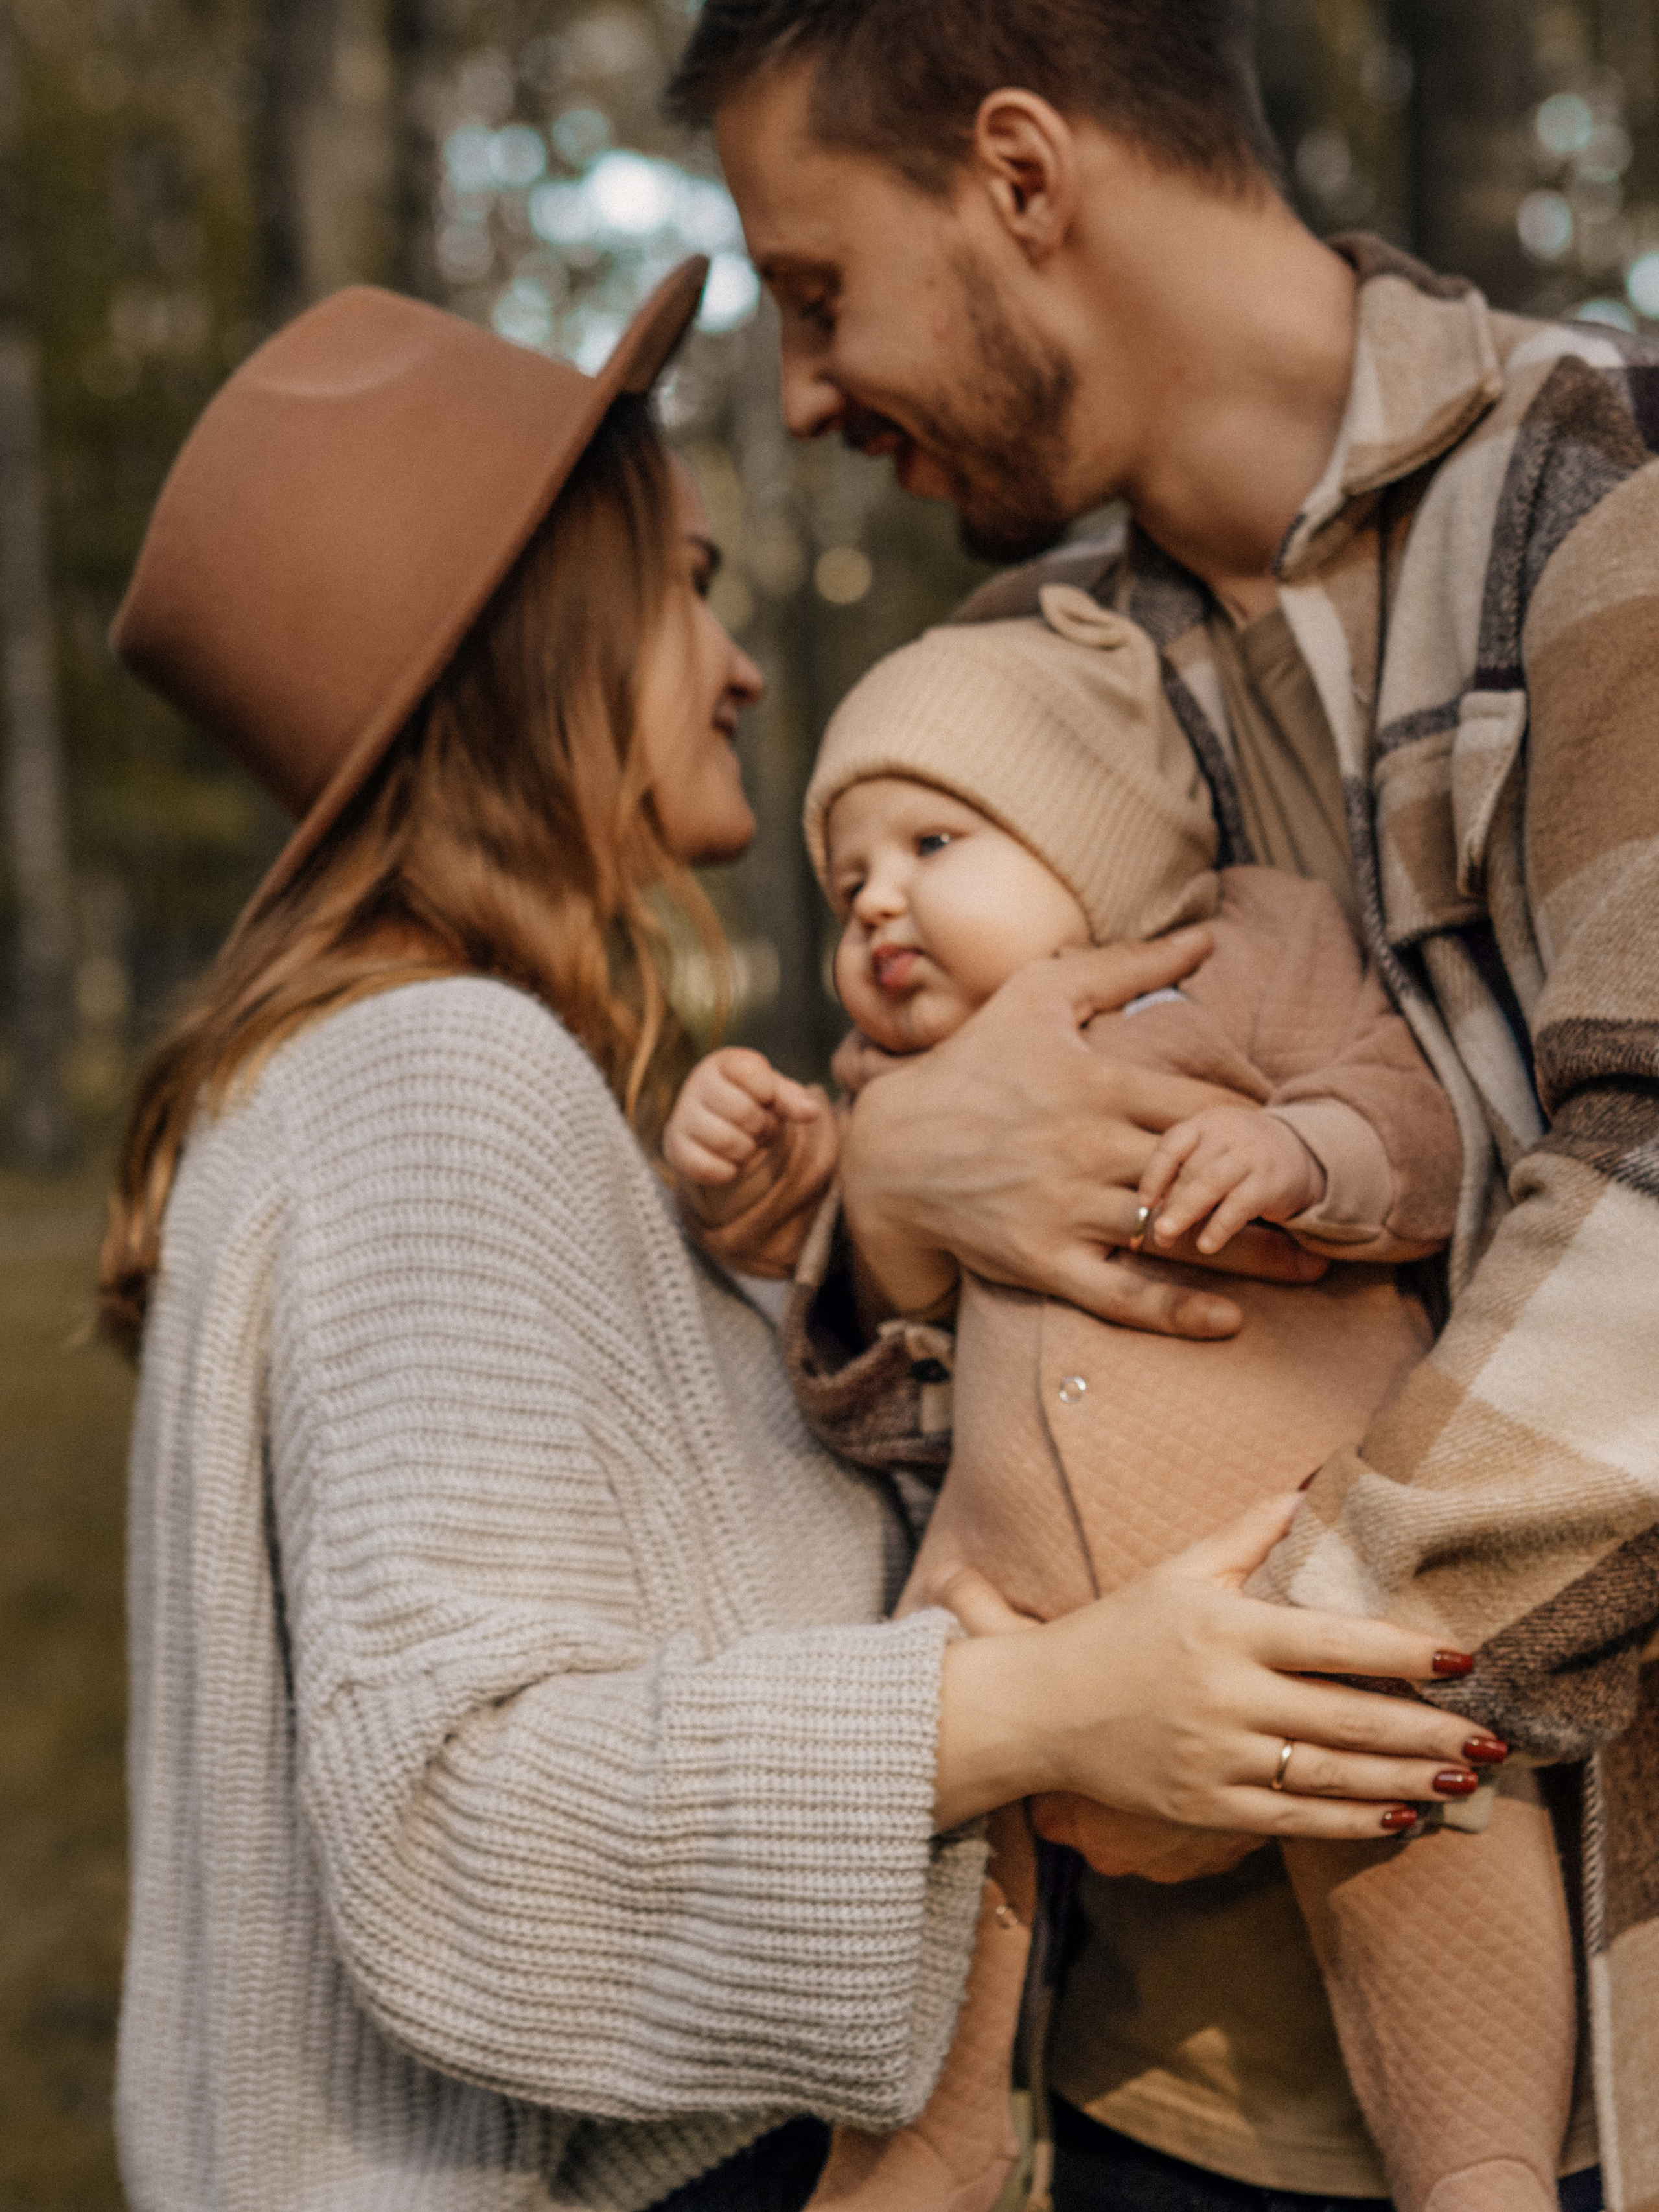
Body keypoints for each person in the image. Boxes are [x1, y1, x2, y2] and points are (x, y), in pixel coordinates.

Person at [96, 266, 1487, 2212]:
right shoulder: (437, 1081)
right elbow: (455, 1815)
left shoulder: (359, 1072)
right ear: (539, 643)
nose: (738, 663)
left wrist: (887, 1202)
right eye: (686, 583)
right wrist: (1058, 1706)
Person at [669, 5, 1659, 2207]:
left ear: (1023, 174)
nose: (810, 393)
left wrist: (1181, 1692)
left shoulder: (1615, 495)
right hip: (1167, 2090)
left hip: (1602, 2048)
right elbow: (958, 1382)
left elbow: (1653, 1213)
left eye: (822, 292)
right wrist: (896, 1201)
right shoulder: (1026, 690)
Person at [665, 592, 1574, 2212]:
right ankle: (918, 2154)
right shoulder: (893, 1089)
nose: (877, 903)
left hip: (1310, 1553)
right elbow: (869, 1363)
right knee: (933, 1830)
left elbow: (1418, 1134)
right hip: (1010, 1614)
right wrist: (776, 1180)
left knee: (1421, 1807)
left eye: (932, 842)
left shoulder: (1255, 949)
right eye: (846, 879)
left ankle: (1483, 2166)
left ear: (1093, 830)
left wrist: (1305, 1156)